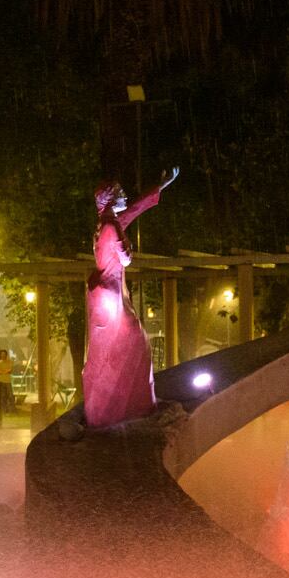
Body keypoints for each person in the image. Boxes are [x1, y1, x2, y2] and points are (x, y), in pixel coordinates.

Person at [83, 170, 178, 430]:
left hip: (106, 294)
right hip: (110, 295)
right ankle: (123, 410)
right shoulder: (112, 226)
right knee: (133, 343)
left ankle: (112, 409)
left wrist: (158, 185)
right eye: (121, 193)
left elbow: (133, 210)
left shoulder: (106, 221)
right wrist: (126, 249)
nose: (125, 195)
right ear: (111, 199)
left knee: (121, 347)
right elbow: (125, 259)